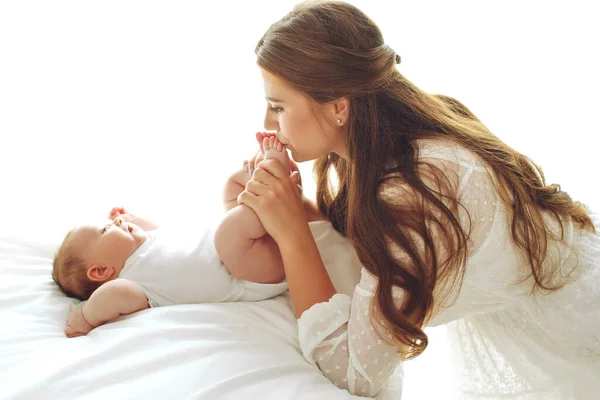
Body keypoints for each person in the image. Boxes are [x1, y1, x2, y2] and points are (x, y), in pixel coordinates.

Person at [238, 1, 600, 398]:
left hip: (577, 334)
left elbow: (355, 372)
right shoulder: (391, 143)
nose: (268, 123)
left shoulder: (417, 188)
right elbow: (369, 252)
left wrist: (293, 234)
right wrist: (291, 207)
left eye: (277, 106)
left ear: (339, 107)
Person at [53, 133, 329, 338]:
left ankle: (269, 185)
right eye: (105, 230)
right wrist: (86, 317)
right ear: (101, 272)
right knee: (226, 234)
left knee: (232, 186)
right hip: (248, 274)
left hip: (245, 248)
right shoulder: (133, 285)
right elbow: (111, 297)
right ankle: (276, 186)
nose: (115, 223)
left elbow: (152, 229)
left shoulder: (146, 246)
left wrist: (130, 219)